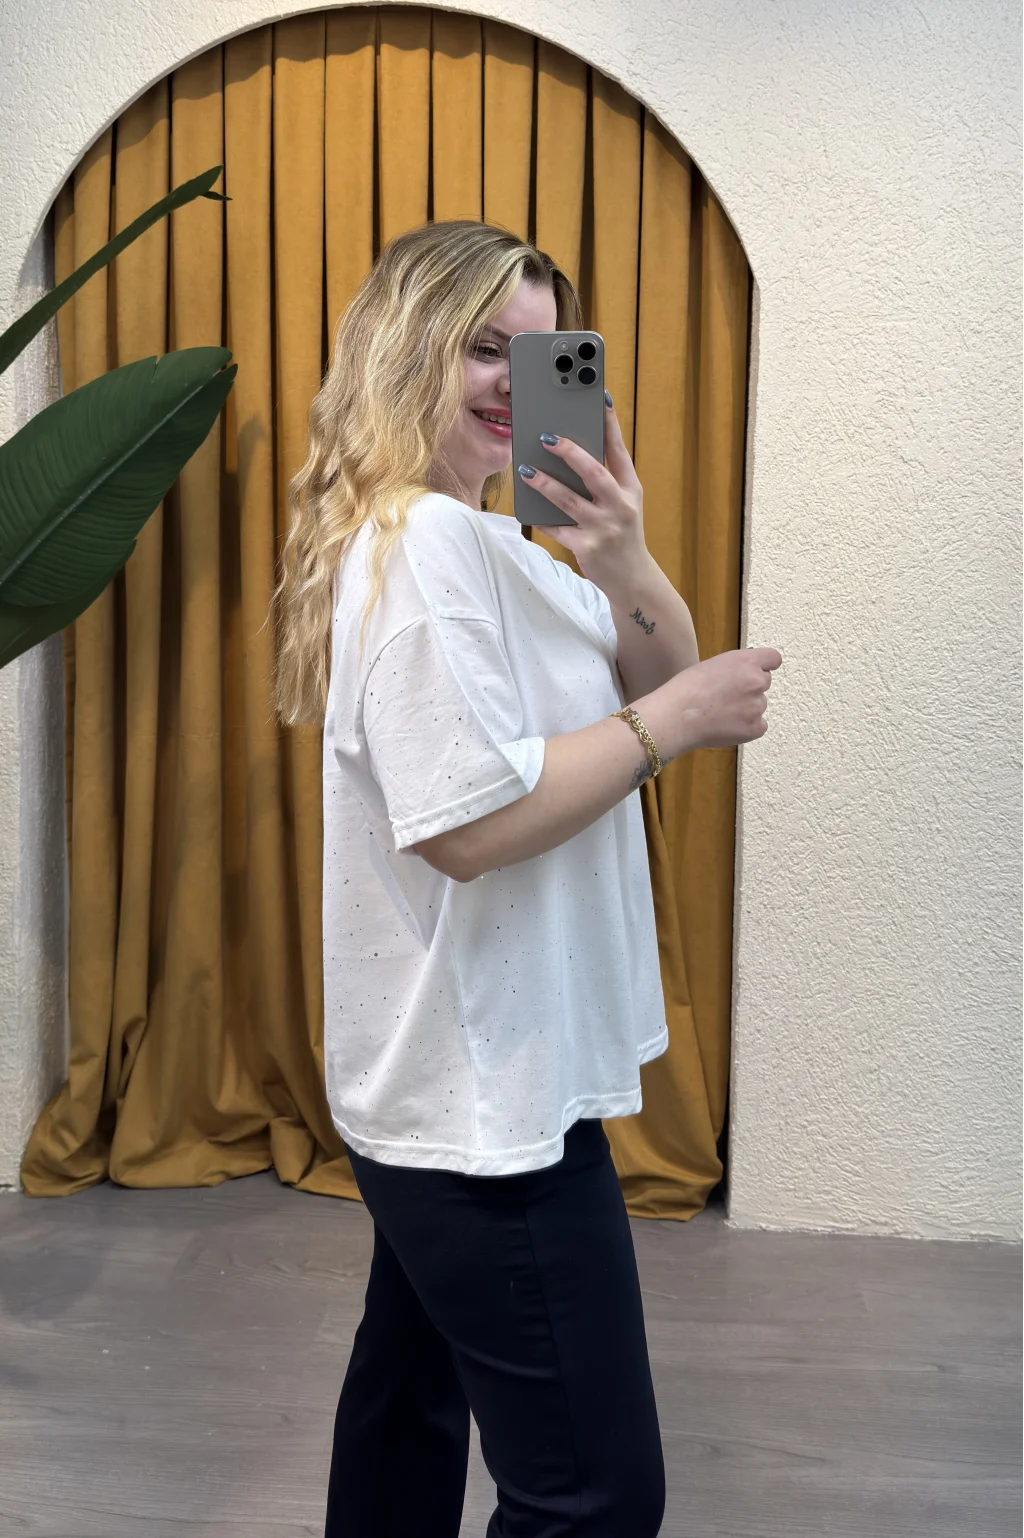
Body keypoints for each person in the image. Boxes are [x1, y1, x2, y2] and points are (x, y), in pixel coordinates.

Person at [272, 220, 782, 1538]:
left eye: (543, 353)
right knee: (592, 1497)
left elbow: (654, 672)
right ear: (408, 347)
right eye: (484, 347)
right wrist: (672, 723)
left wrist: (626, 556)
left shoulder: (488, 541)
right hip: (486, 1097)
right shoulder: (426, 548)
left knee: (406, 1414)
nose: (515, 381)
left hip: (476, 1071)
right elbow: (469, 820)